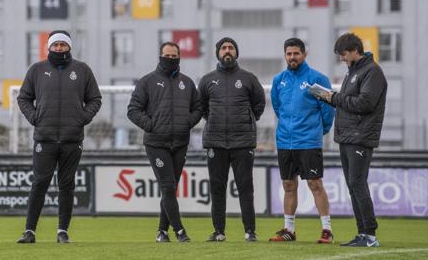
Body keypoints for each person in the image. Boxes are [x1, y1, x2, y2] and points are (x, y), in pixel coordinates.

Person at [16, 30, 102, 244]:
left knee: (67, 185)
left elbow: (95, 99)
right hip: (44, 138)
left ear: (69, 47)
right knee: (39, 183)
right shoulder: (37, 70)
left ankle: (62, 231)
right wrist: (35, 117)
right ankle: (29, 232)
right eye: (56, 45)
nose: (59, 48)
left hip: (72, 139)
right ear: (49, 47)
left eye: (63, 45)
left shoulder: (82, 70)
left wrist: (82, 118)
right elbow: (24, 98)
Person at [316, 33, 387, 247]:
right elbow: (349, 103)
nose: (342, 59)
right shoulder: (353, 72)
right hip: (347, 136)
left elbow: (364, 103)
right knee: (352, 185)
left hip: (360, 137)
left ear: (355, 50)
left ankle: (370, 235)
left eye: (343, 54)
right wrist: (329, 98)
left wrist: (334, 98)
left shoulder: (372, 72)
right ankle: (363, 234)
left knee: (357, 183)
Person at [127, 42, 202, 243]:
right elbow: (133, 110)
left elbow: (198, 108)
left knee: (170, 188)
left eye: (174, 56)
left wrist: (187, 123)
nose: (170, 59)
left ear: (179, 57)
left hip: (180, 143)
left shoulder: (187, 83)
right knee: (168, 187)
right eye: (167, 56)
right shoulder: (147, 82)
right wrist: (151, 125)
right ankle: (180, 231)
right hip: (156, 143)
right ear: (160, 56)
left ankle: (162, 231)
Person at [198, 37, 265, 242]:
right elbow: (201, 108)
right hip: (215, 142)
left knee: (245, 187)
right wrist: (216, 121)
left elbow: (259, 105)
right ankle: (219, 231)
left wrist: (245, 121)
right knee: (217, 188)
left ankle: (250, 231)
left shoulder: (249, 78)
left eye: (231, 48)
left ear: (236, 52)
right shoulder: (207, 80)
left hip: (243, 142)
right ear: (218, 53)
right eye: (224, 48)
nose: (228, 51)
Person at [268, 38, 335, 244]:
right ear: (285, 55)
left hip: (308, 141)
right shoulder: (279, 80)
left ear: (304, 55)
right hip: (285, 142)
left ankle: (327, 230)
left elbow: (328, 110)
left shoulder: (316, 79)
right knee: (289, 185)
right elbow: (278, 108)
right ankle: (289, 230)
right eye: (289, 53)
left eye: (296, 53)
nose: (292, 57)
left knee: (315, 184)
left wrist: (316, 131)